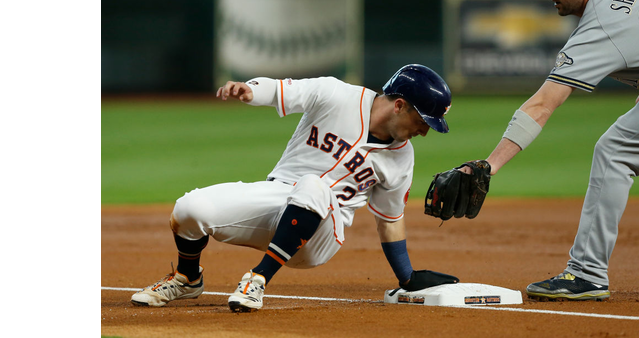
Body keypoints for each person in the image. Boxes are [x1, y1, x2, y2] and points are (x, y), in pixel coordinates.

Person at [131, 64, 459, 312]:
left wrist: (407, 278)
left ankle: (258, 280)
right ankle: (187, 279)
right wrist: (249, 91)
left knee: (315, 186)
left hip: (321, 237)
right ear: (400, 105)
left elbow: (390, 219)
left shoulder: (401, 158)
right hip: (278, 199)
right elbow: (279, 90)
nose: (424, 131)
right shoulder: (337, 95)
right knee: (190, 209)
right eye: (423, 121)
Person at [469, 0, 639, 301]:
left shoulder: (599, 27)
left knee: (614, 152)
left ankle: (587, 274)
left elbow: (542, 104)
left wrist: (489, 165)